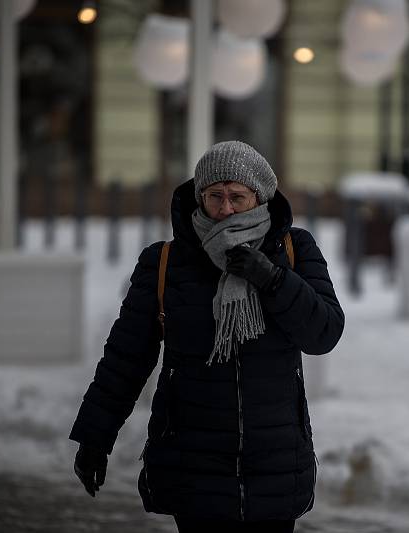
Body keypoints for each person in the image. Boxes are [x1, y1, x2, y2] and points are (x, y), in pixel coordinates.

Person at [70, 140, 345, 533]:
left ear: (260, 197)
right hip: (193, 461)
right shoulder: (165, 262)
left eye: (237, 197)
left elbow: (324, 332)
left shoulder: (293, 250)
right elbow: (125, 357)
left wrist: (271, 278)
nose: (226, 209)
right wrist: (95, 438)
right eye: (215, 196)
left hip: (274, 462)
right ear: (199, 198)